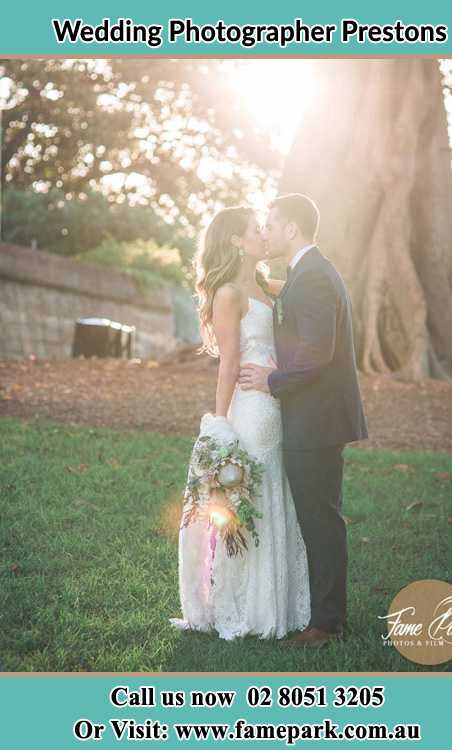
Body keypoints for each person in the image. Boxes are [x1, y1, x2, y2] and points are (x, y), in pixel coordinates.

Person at [169, 206, 310, 640]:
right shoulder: (230, 293)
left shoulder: (269, 286)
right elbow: (229, 361)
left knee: (273, 497)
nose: (264, 236)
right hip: (251, 408)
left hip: (278, 399)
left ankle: (276, 603)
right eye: (255, 231)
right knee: (250, 503)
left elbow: (312, 292)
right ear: (235, 241)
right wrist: (219, 423)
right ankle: (247, 607)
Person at [239, 193, 368, 648]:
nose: (266, 232)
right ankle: (326, 615)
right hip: (314, 417)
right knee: (319, 517)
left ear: (291, 228)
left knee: (319, 520)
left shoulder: (313, 276)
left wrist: (272, 379)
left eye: (271, 224)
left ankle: (327, 624)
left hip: (316, 419)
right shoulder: (305, 274)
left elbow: (317, 352)